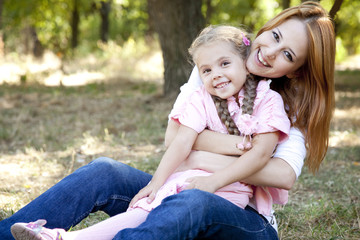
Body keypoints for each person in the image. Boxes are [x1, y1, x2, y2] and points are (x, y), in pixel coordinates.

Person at [0, 1, 335, 239]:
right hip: (183, 184)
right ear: (269, 26)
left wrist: (202, 156)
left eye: (288, 55)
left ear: (297, 69)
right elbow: (173, 134)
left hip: (243, 218)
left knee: (192, 199)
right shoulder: (216, 58)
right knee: (105, 171)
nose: (271, 52)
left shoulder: (290, 103)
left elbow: (282, 175)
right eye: (275, 37)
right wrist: (234, 147)